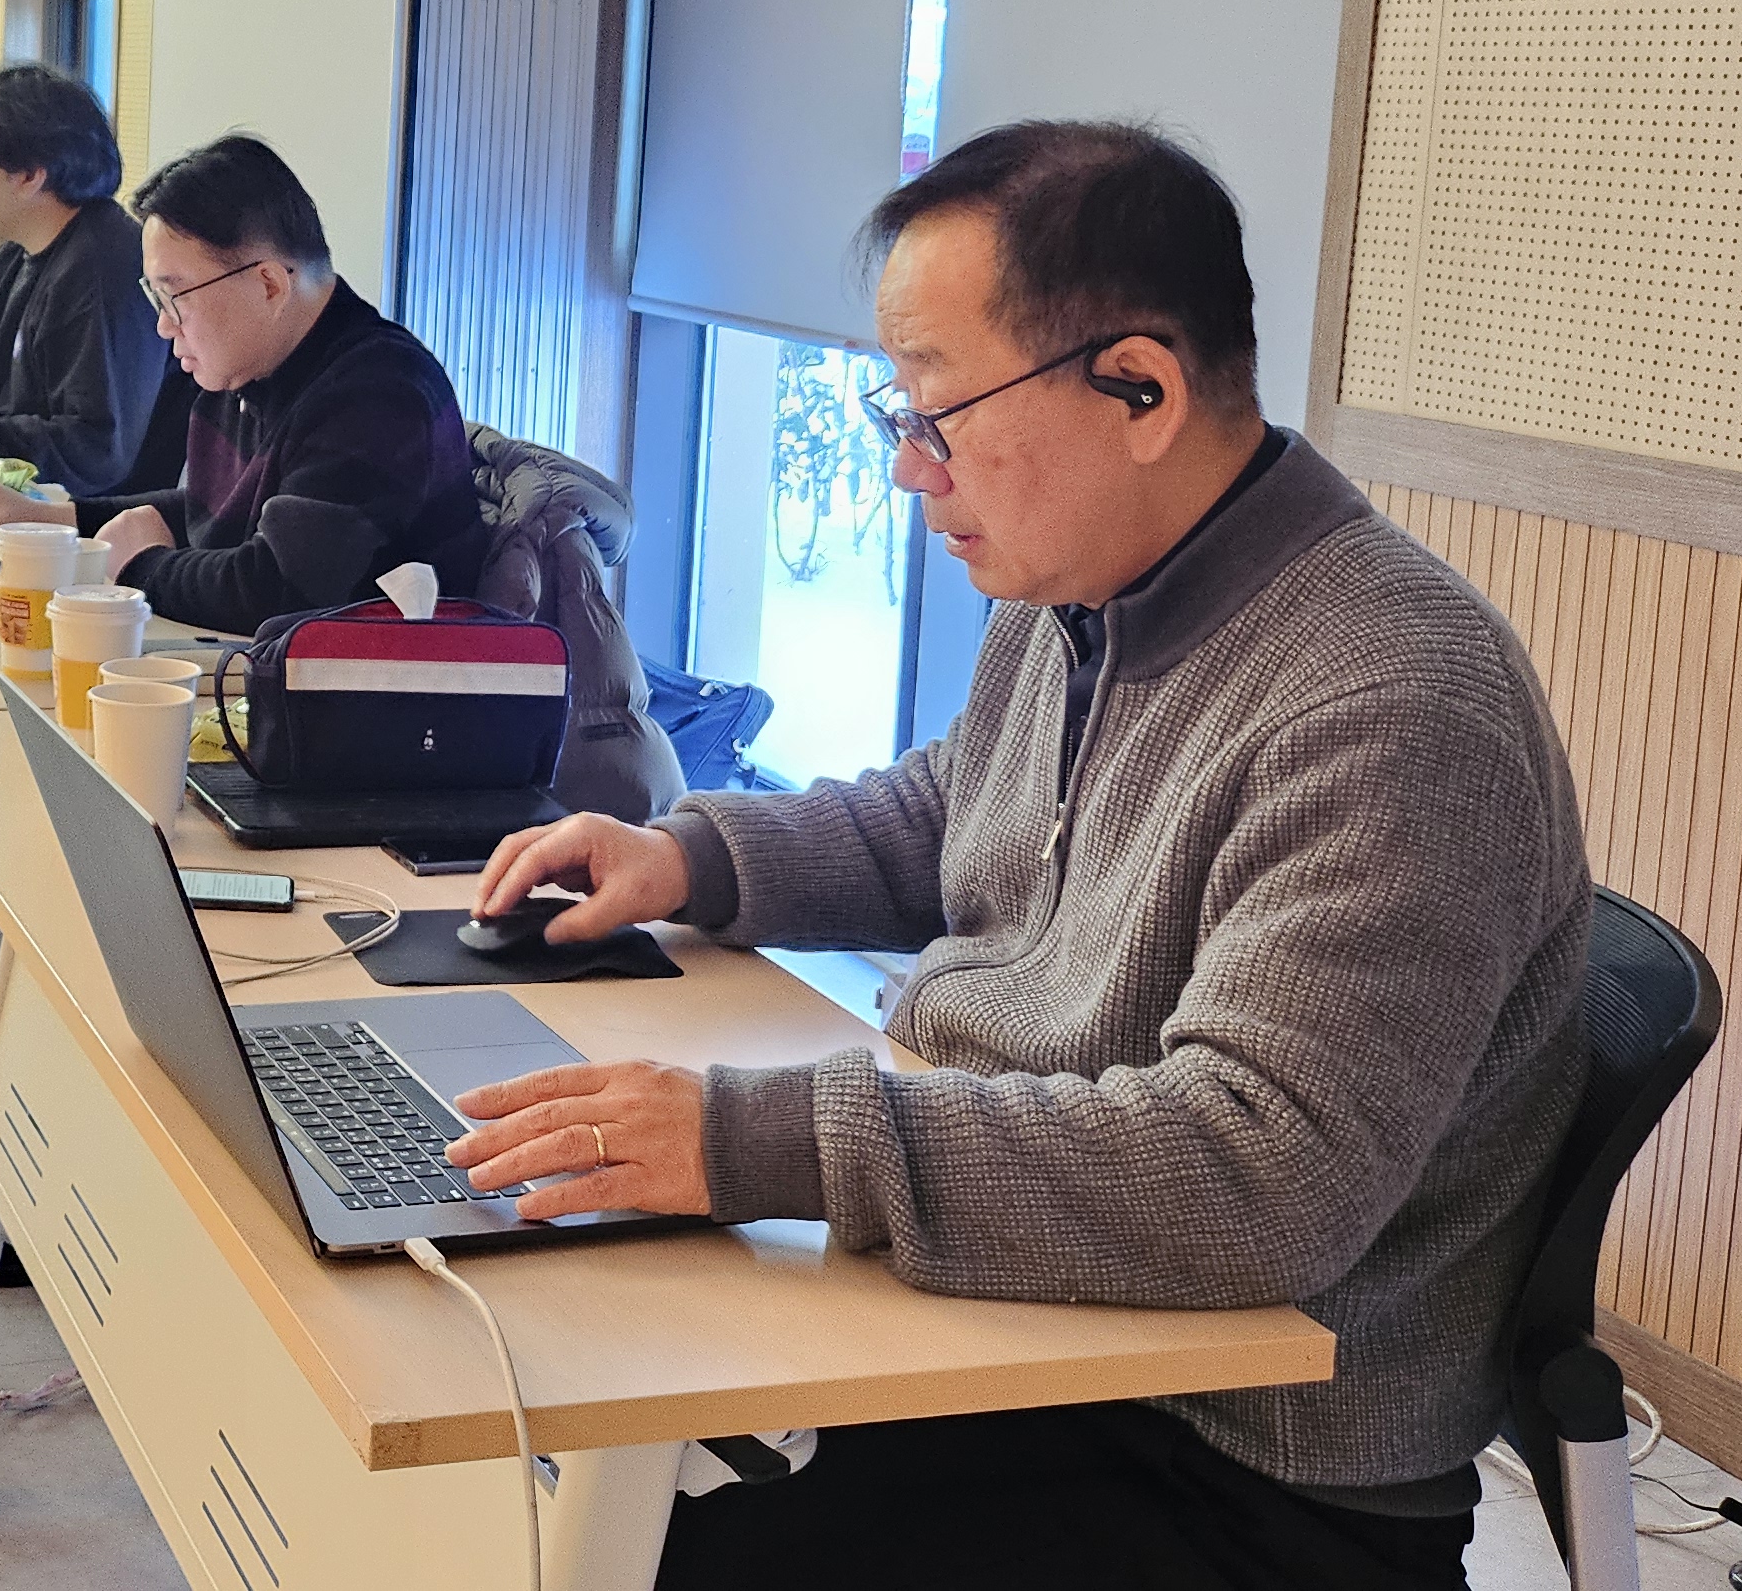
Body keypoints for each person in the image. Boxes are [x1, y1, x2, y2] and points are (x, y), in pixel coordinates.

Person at [442, 121, 1591, 1591]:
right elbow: (958, 819)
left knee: (605, 1547)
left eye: (939, 410)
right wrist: (688, 861)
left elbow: (1258, 1177)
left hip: (1229, 1463)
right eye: (897, 410)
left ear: (1141, 388)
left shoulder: (1392, 702)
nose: (908, 468)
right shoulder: (1085, 594)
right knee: (541, 1422)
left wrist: (749, 1139)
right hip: (1023, 1339)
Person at [0, 133, 486, 634]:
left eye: (175, 296)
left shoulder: (377, 394)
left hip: (367, 702)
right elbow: (212, 512)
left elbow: (276, 590)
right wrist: (50, 519)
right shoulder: (251, 365)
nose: (164, 325)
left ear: (268, 285)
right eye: (155, 296)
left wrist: (138, 566)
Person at [0, 63, 172, 495]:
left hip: (78, 527)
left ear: (29, 175)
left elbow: (93, 449)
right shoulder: (16, 254)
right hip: (10, 505)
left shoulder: (103, 268)